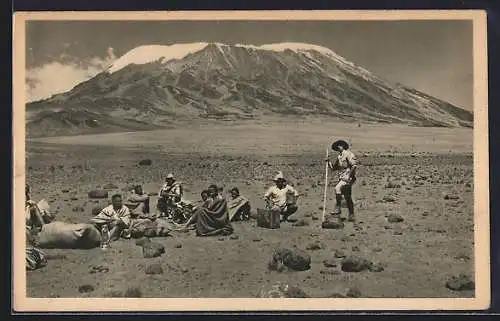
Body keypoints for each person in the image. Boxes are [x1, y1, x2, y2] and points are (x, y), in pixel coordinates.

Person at [325, 139, 358, 222]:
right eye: (337, 146)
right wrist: (328, 162)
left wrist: (349, 176)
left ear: (343, 146)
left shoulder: (348, 154)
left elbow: (354, 166)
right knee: (347, 196)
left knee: (338, 189)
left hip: (348, 178)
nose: (338, 147)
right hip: (341, 177)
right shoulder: (339, 156)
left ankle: (338, 208)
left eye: (340, 145)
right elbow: (334, 168)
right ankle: (350, 214)